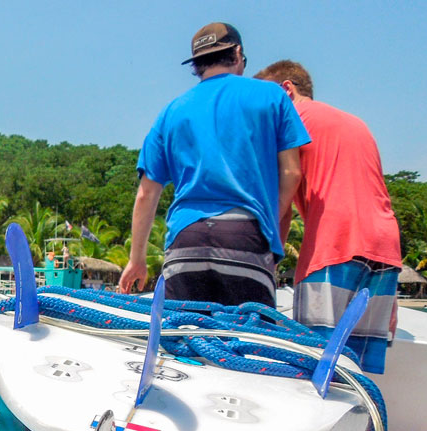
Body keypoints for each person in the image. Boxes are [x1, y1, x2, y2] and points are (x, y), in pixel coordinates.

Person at [120, 22, 310, 306]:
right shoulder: (271, 96)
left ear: (197, 64)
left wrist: (137, 260)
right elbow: (292, 173)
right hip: (245, 237)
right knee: (246, 342)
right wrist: (264, 223)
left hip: (186, 242)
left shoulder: (171, 111)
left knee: (182, 340)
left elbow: (146, 194)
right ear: (237, 53)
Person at [254, 61, 403, 374]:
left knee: (316, 364)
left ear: (286, 89)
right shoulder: (354, 122)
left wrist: (266, 264)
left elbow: (281, 206)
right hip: (385, 249)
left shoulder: (290, 123)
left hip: (333, 245)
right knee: (357, 370)